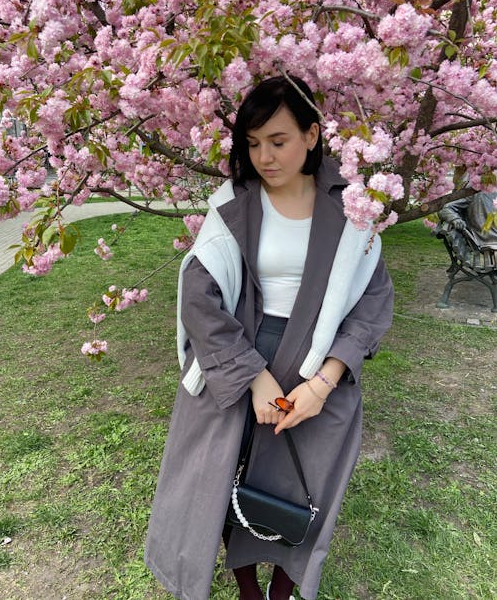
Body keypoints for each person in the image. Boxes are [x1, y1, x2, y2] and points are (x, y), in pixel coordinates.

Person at [145, 76, 394, 600]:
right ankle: (247, 590)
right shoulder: (233, 203)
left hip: (318, 364)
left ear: (311, 134)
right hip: (237, 359)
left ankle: (280, 591)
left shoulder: (355, 208)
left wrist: (325, 382)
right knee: (220, 482)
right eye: (252, 144)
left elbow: (373, 302)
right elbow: (198, 297)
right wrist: (253, 377)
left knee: (303, 488)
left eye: (277, 141)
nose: (264, 157)